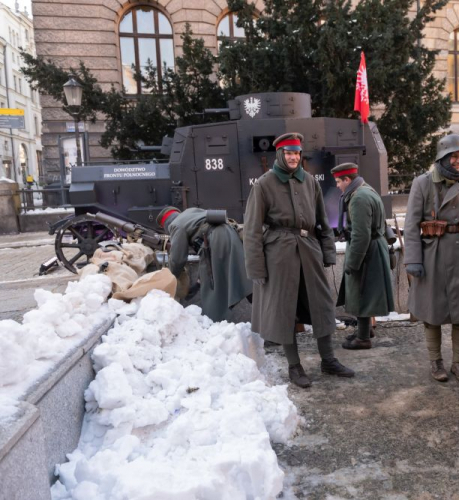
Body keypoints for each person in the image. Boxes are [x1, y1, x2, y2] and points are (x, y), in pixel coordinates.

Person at [243, 132, 354, 388]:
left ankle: (328, 360)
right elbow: (252, 230)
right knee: (285, 310)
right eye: (288, 153)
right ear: (280, 155)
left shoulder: (310, 183)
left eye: (296, 153)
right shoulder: (264, 184)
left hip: (309, 249)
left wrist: (327, 252)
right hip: (278, 254)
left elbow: (322, 222)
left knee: (322, 305)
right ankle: (295, 366)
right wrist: (256, 268)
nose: (293, 157)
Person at [404, 134, 459, 384]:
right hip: (433, 255)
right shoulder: (422, 183)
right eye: (454, 156)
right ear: (442, 157)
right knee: (432, 313)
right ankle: (436, 361)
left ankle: (458, 363)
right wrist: (414, 260)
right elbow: (411, 225)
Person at [332, 163, 395, 350]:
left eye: (338, 182)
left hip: (367, 250)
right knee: (364, 291)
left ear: (347, 180)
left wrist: (353, 262)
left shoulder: (358, 198)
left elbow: (361, 234)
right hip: (373, 248)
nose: (337, 186)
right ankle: (365, 331)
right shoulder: (365, 190)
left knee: (361, 291)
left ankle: (363, 338)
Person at [158, 206, 252, 322]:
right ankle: (261, 308)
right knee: (244, 278)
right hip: (229, 234)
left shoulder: (176, 225)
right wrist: (198, 282)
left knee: (212, 291)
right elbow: (205, 258)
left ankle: (213, 323)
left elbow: (178, 259)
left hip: (216, 240)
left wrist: (169, 277)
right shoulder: (191, 212)